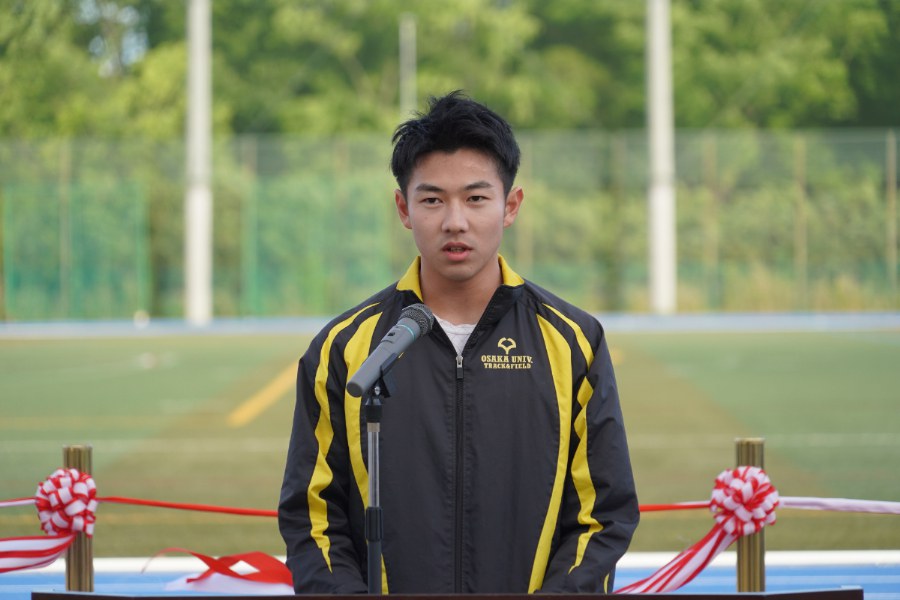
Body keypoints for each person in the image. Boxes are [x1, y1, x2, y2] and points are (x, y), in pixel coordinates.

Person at [278, 91, 639, 594]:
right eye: (432, 199)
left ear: (510, 205)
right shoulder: (344, 349)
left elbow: (603, 514)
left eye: (475, 198)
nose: (455, 221)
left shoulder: (573, 343)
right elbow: (312, 515)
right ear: (403, 208)